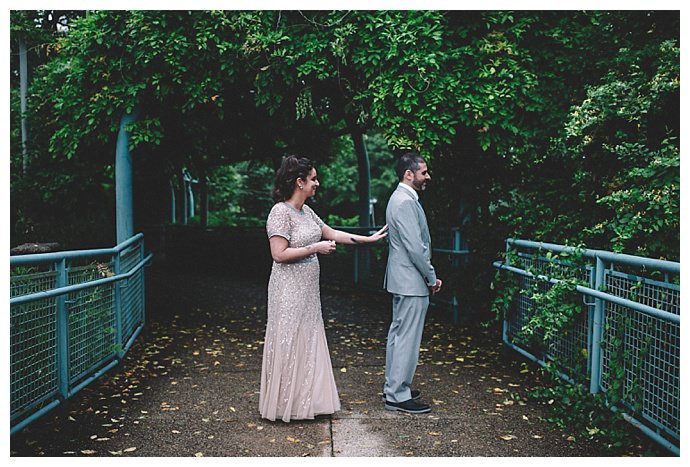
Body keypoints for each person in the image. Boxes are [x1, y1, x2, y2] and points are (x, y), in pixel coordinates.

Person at [259, 155, 388, 422]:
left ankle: (307, 402)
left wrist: (369, 239)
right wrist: (315, 248)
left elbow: (333, 233)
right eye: (314, 178)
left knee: (308, 338)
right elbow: (278, 254)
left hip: (308, 292)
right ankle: (285, 405)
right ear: (299, 182)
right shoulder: (280, 212)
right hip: (287, 289)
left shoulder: (306, 212)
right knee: (289, 339)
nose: (317, 183)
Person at [382, 152, 442, 414]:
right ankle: (397, 395)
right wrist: (431, 276)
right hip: (411, 281)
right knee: (406, 339)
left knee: (398, 336)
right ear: (409, 174)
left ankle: (393, 388)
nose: (427, 176)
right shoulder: (405, 202)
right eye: (424, 172)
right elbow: (416, 248)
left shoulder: (400, 198)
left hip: (402, 280)